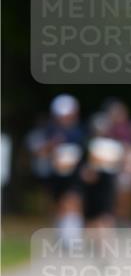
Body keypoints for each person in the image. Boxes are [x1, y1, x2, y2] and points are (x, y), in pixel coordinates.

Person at [37, 95, 86, 246]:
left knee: (73, 200)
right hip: (56, 174)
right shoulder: (50, 131)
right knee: (60, 204)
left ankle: (73, 237)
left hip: (74, 173)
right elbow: (41, 152)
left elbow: (86, 153)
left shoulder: (79, 132)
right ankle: (63, 235)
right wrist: (51, 146)